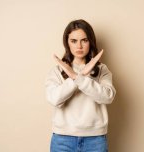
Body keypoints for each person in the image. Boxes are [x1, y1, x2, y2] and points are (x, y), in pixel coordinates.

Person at [45, 19, 116, 152]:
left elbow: (108, 97)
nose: (79, 46)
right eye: (74, 41)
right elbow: (54, 99)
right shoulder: (57, 71)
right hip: (62, 139)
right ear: (67, 43)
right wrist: (74, 78)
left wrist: (79, 77)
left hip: (95, 139)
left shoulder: (101, 69)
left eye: (84, 40)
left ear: (91, 42)